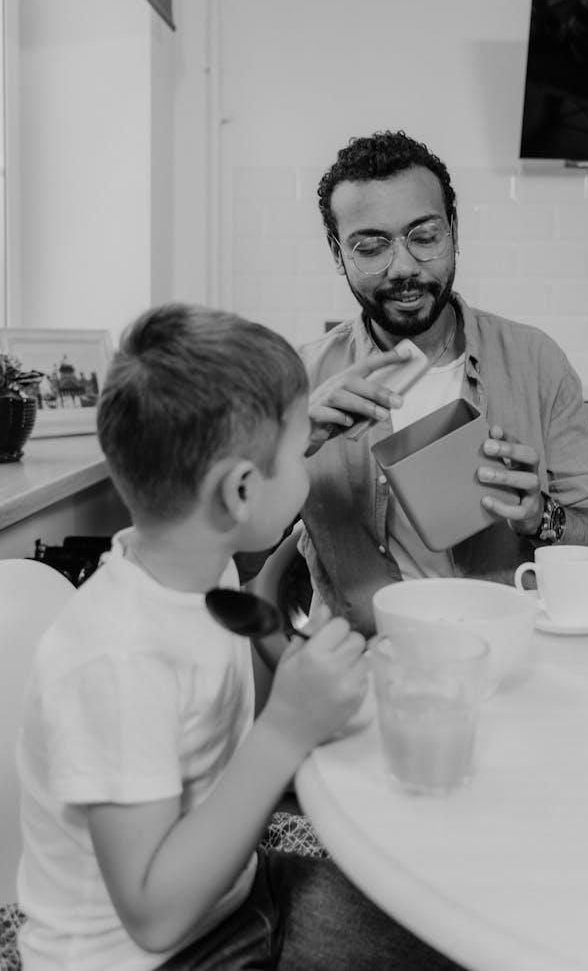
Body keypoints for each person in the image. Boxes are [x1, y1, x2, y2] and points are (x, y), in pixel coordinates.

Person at [15, 302, 463, 971]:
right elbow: (155, 914)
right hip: (155, 953)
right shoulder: (115, 660)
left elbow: (250, 495)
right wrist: (285, 728)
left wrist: (297, 421)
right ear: (243, 490)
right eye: (296, 451)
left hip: (232, 898)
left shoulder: (191, 557)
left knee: (433, 925)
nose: (309, 459)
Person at [296, 130, 588, 635]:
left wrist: (540, 517)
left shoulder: (535, 362)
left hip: (506, 650)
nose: (403, 268)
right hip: (360, 661)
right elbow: (233, 555)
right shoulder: (301, 379)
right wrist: (290, 445)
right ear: (337, 254)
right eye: (371, 247)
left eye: (423, 238)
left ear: (454, 232)